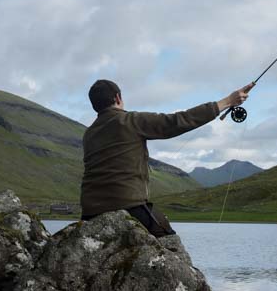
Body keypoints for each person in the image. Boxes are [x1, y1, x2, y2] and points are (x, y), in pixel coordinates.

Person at [80, 79, 254, 237]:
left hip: (89, 213)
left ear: (95, 105)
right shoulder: (131, 120)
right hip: (128, 207)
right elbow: (177, 121)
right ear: (118, 98)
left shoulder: (89, 134)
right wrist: (228, 102)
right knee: (170, 245)